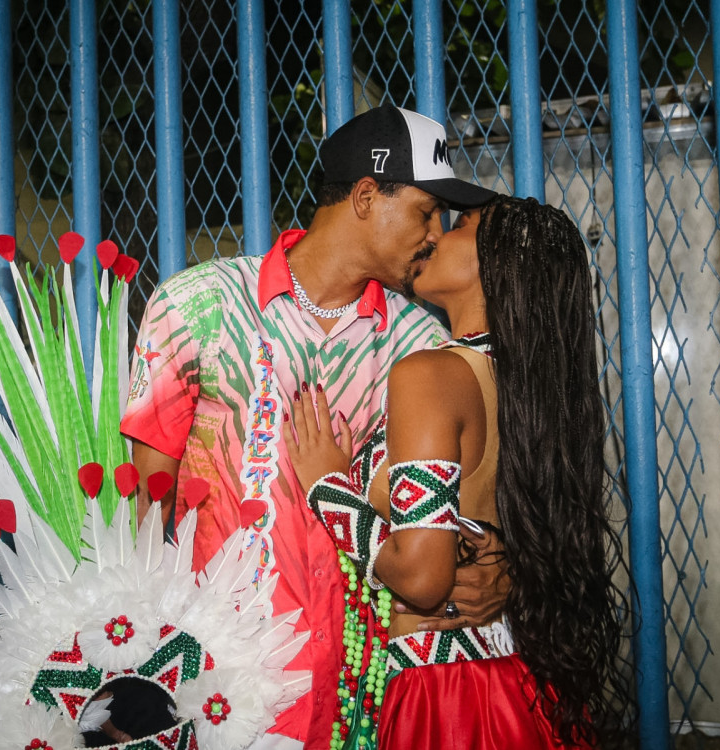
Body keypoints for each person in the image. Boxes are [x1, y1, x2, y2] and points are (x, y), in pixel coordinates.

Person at [120, 106, 508, 749]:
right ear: (365, 196)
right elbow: (143, 508)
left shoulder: (421, 344)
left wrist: (504, 567)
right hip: (219, 695)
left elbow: (466, 504)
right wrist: (144, 663)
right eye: (424, 210)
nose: (435, 234)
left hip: (365, 695)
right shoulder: (197, 307)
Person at [283, 196, 631, 748]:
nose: (434, 235)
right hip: (520, 681)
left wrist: (328, 486)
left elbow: (424, 577)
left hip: (450, 701)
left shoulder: (430, 374)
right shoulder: (525, 389)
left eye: (461, 224)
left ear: (498, 263)